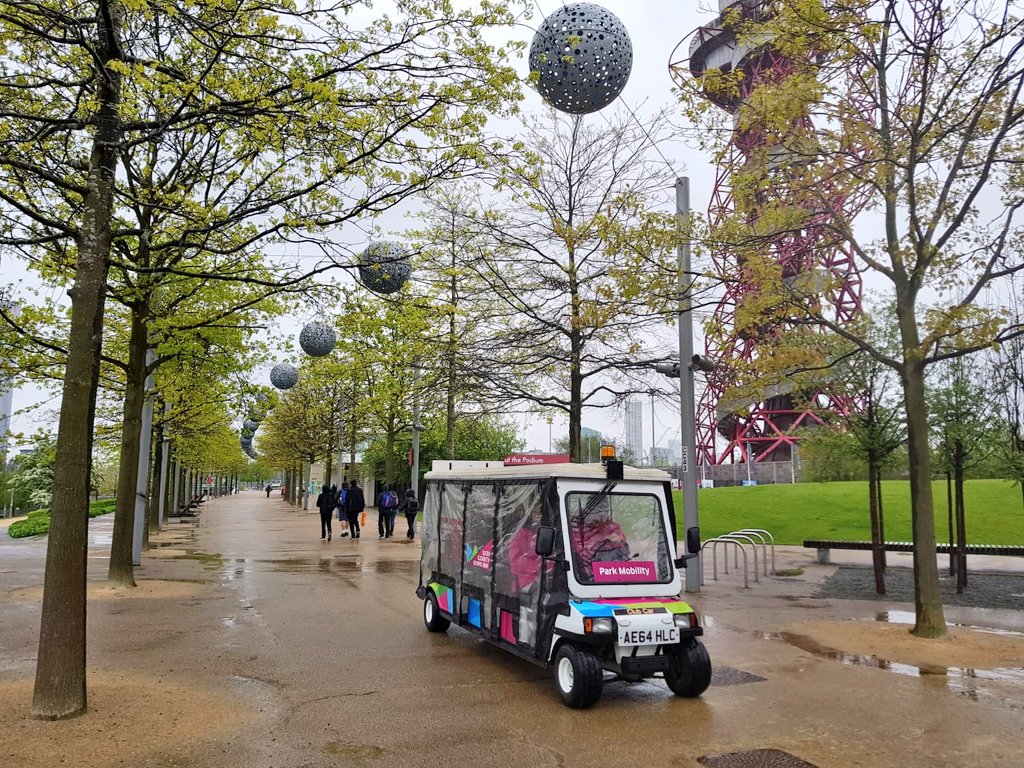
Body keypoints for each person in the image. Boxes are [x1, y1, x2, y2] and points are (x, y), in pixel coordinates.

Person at [568, 500, 630, 581]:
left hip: (612, 576)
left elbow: (624, 555)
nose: (602, 515)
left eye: (605, 511)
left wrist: (617, 543)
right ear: (588, 510)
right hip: (582, 580)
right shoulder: (573, 530)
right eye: (598, 510)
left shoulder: (612, 529)